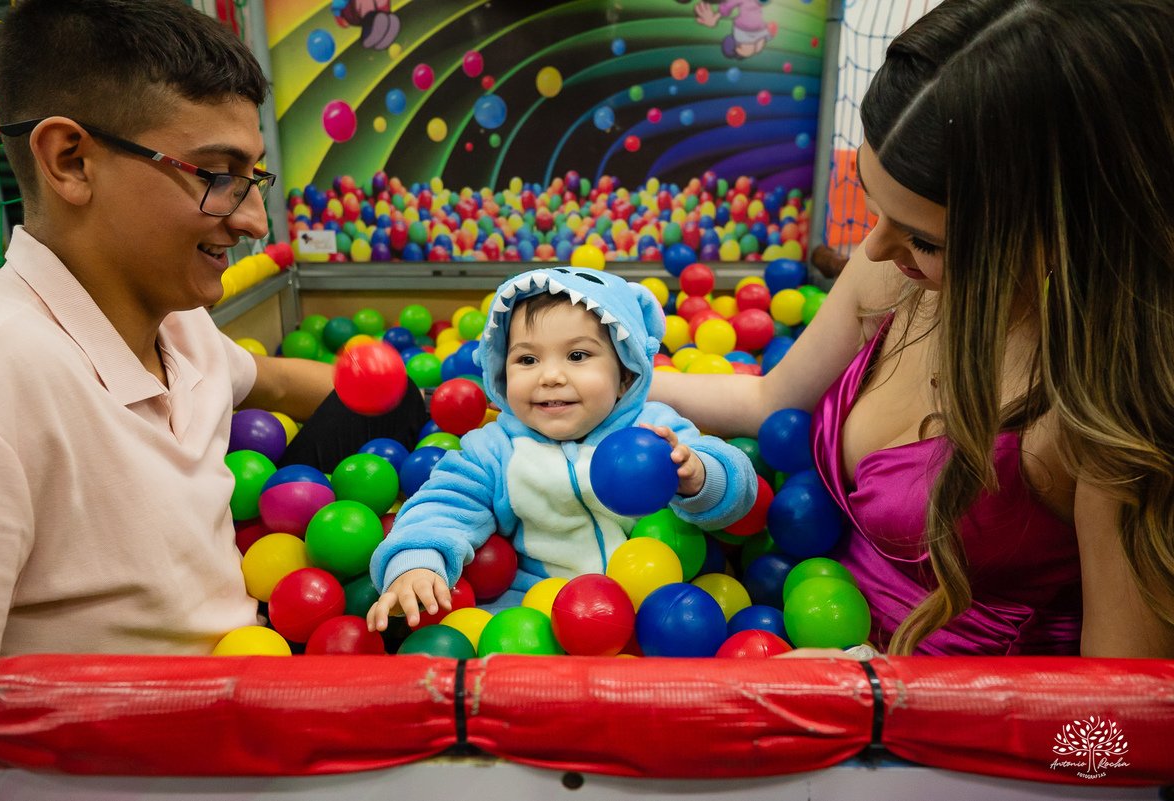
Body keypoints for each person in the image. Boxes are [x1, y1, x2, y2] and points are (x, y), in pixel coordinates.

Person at [649, 0, 1174, 658]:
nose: (872, 249)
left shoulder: (1113, 412)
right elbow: (767, 400)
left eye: (926, 239)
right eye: (872, 200)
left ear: (1061, 235)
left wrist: (874, 690)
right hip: (793, 628)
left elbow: (1119, 704)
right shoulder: (896, 275)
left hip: (948, 709)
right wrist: (611, 379)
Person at [0, 0, 424, 657]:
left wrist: (471, 424)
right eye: (218, 176)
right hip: (176, 716)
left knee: (401, 398)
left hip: (266, 651)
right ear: (71, 161)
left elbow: (280, 380)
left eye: (253, 177)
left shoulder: (180, 323)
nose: (254, 222)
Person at [367, 267, 758, 630]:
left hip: (655, 613)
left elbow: (740, 489)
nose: (550, 376)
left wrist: (699, 476)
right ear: (501, 373)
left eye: (577, 356)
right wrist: (416, 562)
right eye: (527, 359)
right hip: (535, 614)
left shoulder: (654, 431)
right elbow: (445, 503)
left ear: (625, 375)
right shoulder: (494, 449)